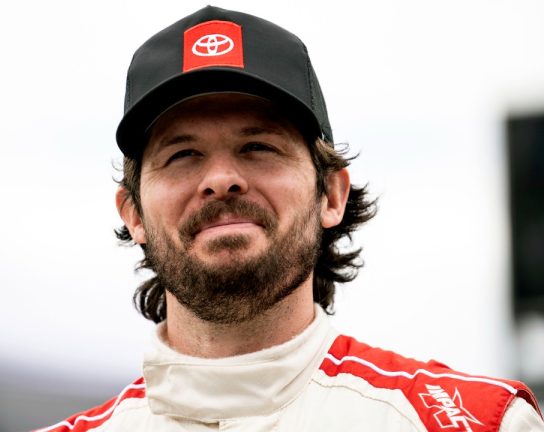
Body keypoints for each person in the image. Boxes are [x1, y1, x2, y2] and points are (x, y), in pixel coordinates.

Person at [36, 6, 543, 432]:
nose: (221, 179)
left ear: (331, 195)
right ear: (135, 213)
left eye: (258, 146)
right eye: (183, 154)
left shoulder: (478, 422)